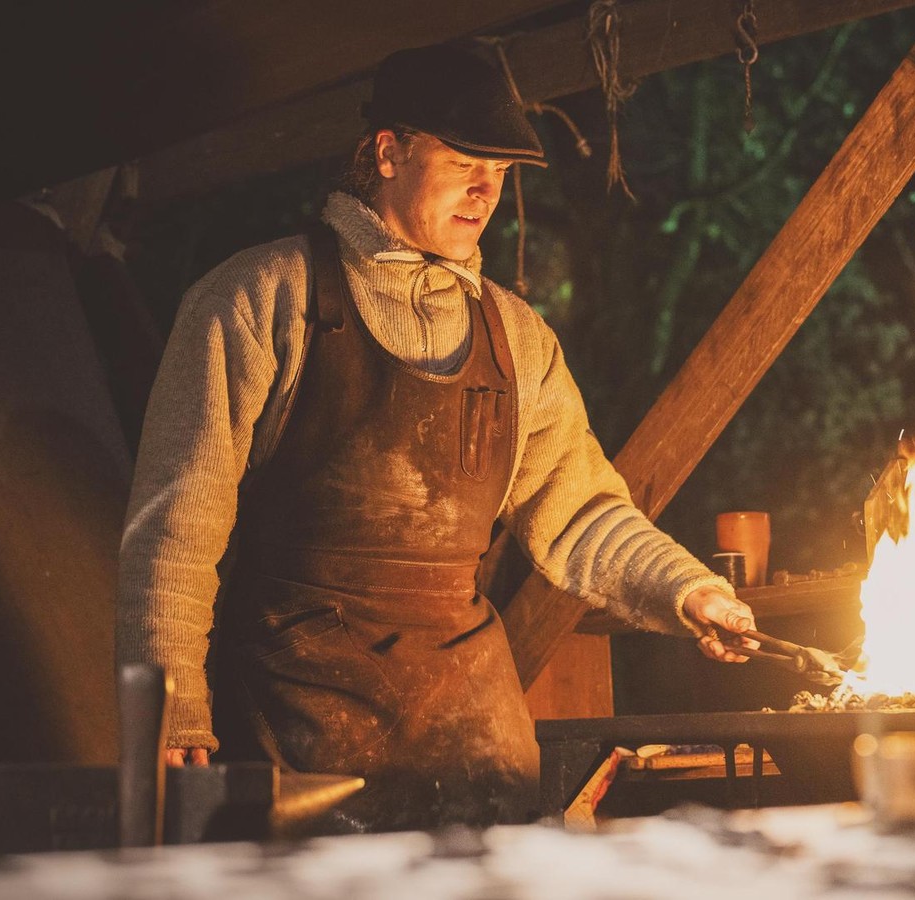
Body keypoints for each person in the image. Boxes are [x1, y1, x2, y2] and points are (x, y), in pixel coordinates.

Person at [116, 43, 757, 829]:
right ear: (387, 153)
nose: (488, 190)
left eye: (503, 172)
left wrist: (689, 590)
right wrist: (174, 713)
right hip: (299, 740)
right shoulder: (258, 299)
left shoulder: (516, 336)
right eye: (465, 162)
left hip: (475, 745)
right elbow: (175, 531)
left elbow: (584, 513)